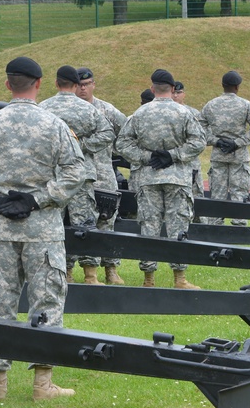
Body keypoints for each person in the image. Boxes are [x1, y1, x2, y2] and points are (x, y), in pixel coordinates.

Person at [0, 57, 89, 401]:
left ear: (7, 85)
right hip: (42, 231)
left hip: (0, 229)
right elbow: (75, 173)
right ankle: (43, 385)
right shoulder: (54, 124)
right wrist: (38, 200)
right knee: (46, 302)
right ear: (39, 83)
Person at [115, 69, 206, 289]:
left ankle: (149, 279)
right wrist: (173, 156)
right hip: (178, 177)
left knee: (149, 226)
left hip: (149, 177)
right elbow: (199, 141)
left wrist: (147, 157)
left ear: (153, 88)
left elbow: (122, 144)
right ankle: (180, 278)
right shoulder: (184, 113)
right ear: (173, 89)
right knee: (178, 226)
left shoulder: (140, 113)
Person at [39, 64, 114, 284]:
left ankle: (64, 272)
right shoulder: (88, 109)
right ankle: (90, 274)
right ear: (75, 85)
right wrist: (81, 146)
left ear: (56, 83)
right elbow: (108, 132)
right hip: (81, 174)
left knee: (56, 224)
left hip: (53, 175)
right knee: (85, 223)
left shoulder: (44, 108)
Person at [75, 67, 128, 285]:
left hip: (103, 174)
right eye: (78, 85)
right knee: (75, 222)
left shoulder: (106, 110)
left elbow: (127, 129)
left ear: (93, 85)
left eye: (86, 84)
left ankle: (111, 270)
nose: (82, 89)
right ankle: (76, 271)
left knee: (107, 222)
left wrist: (116, 150)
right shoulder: (68, 109)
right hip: (75, 175)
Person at [199, 70, 250, 226]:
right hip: (238, 156)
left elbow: (199, 128)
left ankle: (215, 229)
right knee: (239, 194)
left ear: (223, 86)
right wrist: (238, 143)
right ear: (237, 87)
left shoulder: (211, 105)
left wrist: (216, 141)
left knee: (217, 195)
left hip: (218, 155)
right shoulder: (246, 105)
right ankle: (239, 228)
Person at [172, 81, 206, 204]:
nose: (175, 96)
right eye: (173, 93)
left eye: (178, 93)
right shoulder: (166, 111)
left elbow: (202, 138)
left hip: (191, 162)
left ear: (184, 94)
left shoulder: (194, 113)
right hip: (171, 162)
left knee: (196, 197)